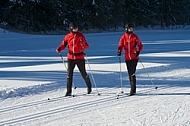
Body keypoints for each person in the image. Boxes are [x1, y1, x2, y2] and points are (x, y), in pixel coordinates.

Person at [56, 22, 92, 96]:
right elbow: (64, 44)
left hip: (80, 57)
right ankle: (69, 91)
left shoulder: (80, 36)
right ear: (71, 28)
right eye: (74, 28)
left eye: (77, 27)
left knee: (83, 73)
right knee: (69, 75)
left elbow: (86, 46)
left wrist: (83, 45)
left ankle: (89, 86)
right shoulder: (68, 36)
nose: (76, 29)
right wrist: (59, 49)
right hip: (70, 57)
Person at [117, 23, 143, 96]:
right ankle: (132, 88)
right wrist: (119, 50)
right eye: (129, 28)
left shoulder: (135, 37)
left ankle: (133, 89)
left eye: (132, 28)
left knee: (132, 72)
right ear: (126, 29)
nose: (131, 30)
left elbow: (140, 45)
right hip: (127, 57)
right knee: (129, 73)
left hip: (134, 57)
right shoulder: (123, 37)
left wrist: (138, 51)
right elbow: (120, 44)